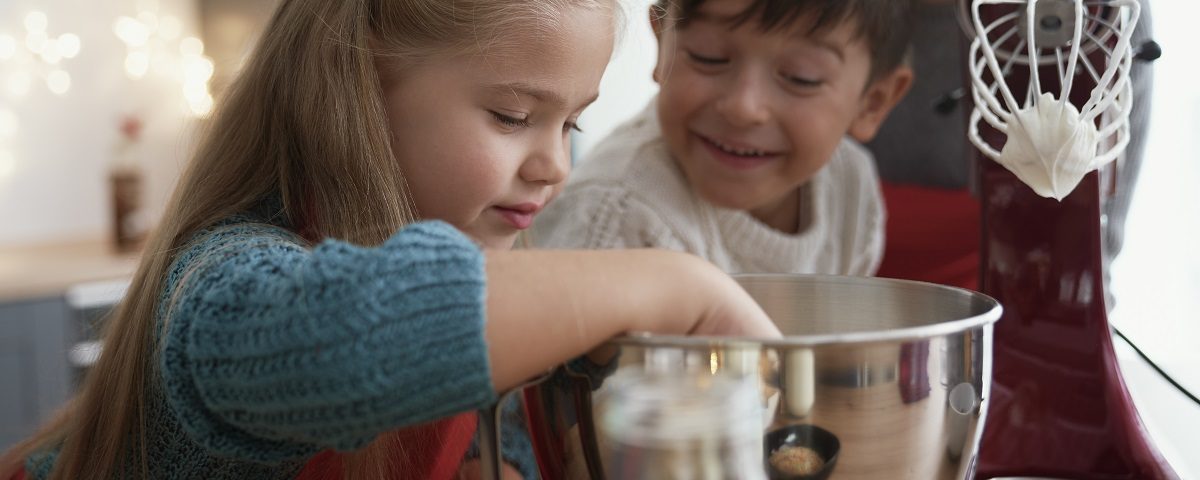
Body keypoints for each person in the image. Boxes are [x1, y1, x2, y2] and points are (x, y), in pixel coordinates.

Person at [0, 0, 781, 479]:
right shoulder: (221, 289)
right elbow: (349, 336)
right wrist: (680, 282)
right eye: (513, 116)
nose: (554, 165)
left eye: (570, 123)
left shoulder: (503, 286)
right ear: (361, 91)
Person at [532, 0, 915, 277]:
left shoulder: (849, 184)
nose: (743, 107)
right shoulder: (617, 217)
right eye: (708, 56)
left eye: (801, 77)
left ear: (873, 102)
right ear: (663, 42)